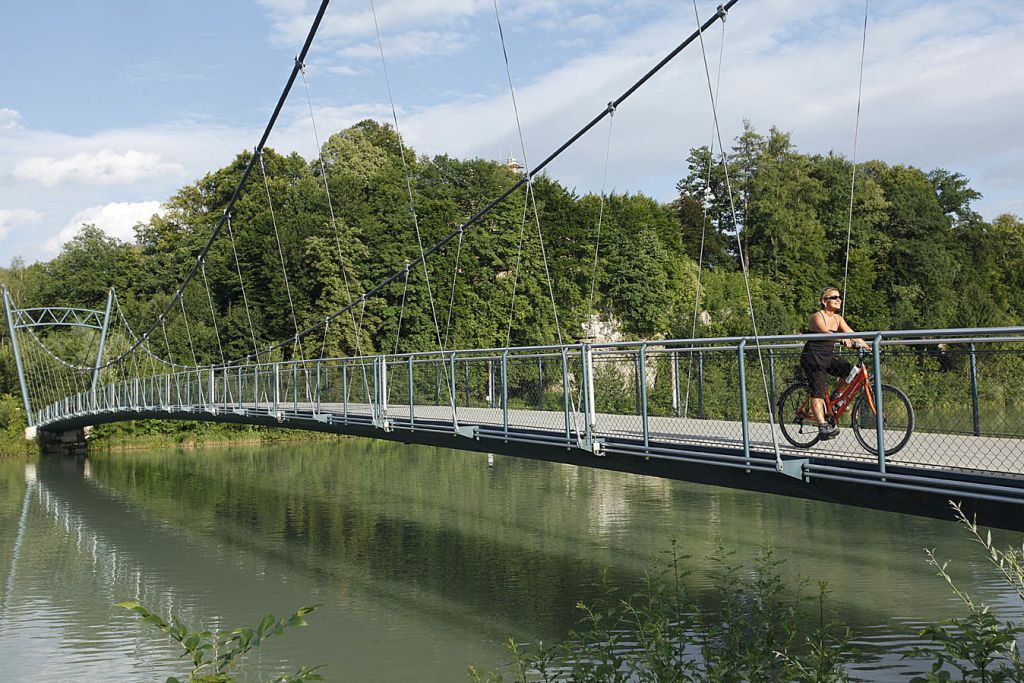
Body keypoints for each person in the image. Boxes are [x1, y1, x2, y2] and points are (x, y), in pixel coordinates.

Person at [800, 287, 869, 440]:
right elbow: (825, 332)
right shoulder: (817, 317)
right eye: (834, 297)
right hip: (813, 357)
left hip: (829, 355)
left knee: (852, 371)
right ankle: (822, 427)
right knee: (818, 390)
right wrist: (840, 338)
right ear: (824, 301)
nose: (838, 300)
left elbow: (851, 333)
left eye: (839, 297)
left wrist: (868, 346)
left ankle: (835, 396)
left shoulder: (838, 318)